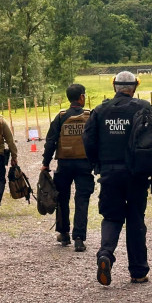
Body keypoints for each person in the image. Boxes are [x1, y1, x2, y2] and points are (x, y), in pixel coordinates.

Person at [83, 71, 152, 286]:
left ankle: (105, 254)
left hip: (109, 173)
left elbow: (88, 139)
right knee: (135, 220)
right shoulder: (144, 108)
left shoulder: (99, 110)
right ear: (134, 87)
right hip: (136, 174)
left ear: (114, 86)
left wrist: (98, 164)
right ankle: (138, 271)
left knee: (112, 217)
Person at [41, 83, 94, 252]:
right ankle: (79, 238)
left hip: (64, 164)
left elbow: (51, 142)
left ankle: (64, 234)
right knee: (82, 200)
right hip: (85, 164)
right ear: (81, 97)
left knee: (62, 199)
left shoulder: (61, 117)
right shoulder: (90, 116)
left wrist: (45, 163)